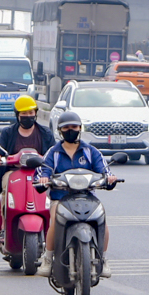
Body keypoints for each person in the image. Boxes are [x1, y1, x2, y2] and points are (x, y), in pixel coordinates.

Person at [35, 110, 116, 276]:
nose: (70, 130)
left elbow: (104, 170)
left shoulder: (90, 151)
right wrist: (44, 179)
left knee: (103, 223)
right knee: (53, 221)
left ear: (80, 128)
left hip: (87, 198)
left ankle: (104, 259)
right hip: (60, 199)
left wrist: (109, 178)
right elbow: (43, 170)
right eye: (66, 128)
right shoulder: (53, 152)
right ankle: (48, 259)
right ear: (60, 131)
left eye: (74, 126)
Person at [0, 95, 54, 197]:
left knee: (50, 197)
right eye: (24, 113)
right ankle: (6, 210)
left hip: (40, 175)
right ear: (17, 115)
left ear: (35, 113)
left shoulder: (45, 133)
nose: (28, 116)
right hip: (13, 173)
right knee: (8, 188)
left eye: (31, 113)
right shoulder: (8, 133)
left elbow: (54, 153)